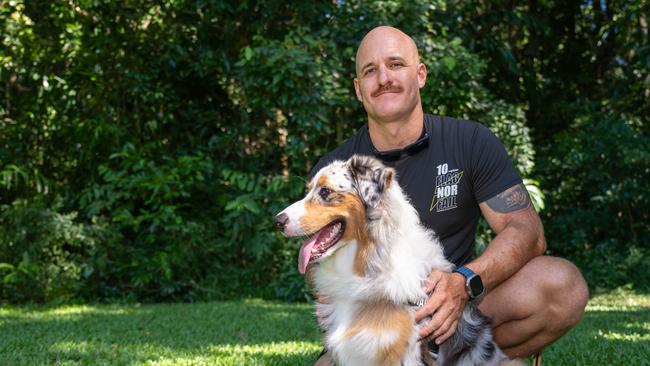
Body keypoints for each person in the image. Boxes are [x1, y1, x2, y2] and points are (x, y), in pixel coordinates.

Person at [307, 25, 589, 365]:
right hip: (379, 325)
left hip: (460, 309)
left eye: (396, 64)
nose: (383, 77)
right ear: (358, 89)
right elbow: (317, 267)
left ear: (420, 74)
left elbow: (527, 231)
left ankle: (475, 356)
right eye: (370, 70)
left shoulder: (470, 141)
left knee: (562, 284)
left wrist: (463, 281)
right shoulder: (334, 171)